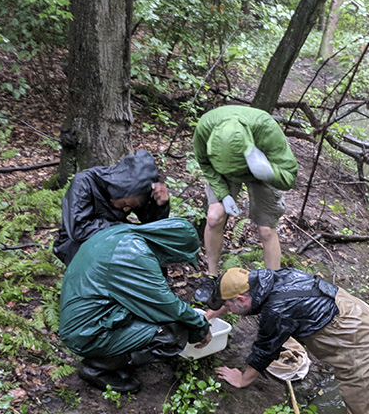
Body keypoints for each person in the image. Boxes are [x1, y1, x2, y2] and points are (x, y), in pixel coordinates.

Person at [205, 267, 369, 414]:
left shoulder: (275, 310)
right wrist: (209, 316)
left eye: (228, 307)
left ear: (241, 299)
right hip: (366, 319)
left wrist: (242, 379)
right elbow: (236, 301)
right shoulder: (272, 277)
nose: (228, 310)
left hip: (363, 346)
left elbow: (264, 350)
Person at [59, 218, 212, 393]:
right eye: (178, 260)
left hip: (89, 317)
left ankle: (116, 356)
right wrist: (199, 325)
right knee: (174, 332)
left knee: (160, 315)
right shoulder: (133, 254)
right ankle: (97, 366)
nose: (176, 265)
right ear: (171, 249)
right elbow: (165, 305)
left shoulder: (121, 235)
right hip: (87, 332)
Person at [192, 106, 298, 302]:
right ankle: (211, 277)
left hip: (260, 166)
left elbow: (290, 176)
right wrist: (224, 195)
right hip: (221, 173)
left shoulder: (265, 128)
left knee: (266, 229)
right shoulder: (205, 127)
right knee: (214, 217)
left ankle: (271, 287)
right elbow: (205, 164)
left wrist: (268, 172)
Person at [53, 149, 171, 266]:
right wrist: (125, 228)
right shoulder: (84, 183)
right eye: (124, 204)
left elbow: (151, 227)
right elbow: (78, 230)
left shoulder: (137, 190)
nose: (126, 210)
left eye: (131, 207)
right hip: (77, 243)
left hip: (114, 235)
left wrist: (160, 205)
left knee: (149, 250)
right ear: (116, 191)